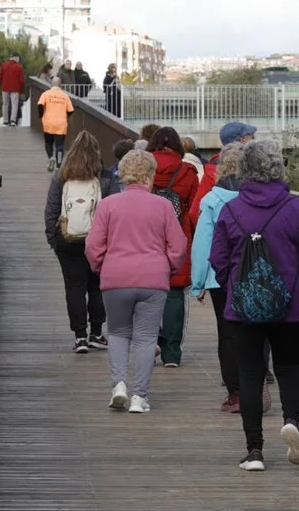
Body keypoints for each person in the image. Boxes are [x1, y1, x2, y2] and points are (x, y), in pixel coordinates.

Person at [209, 139, 299, 472]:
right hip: (288, 307)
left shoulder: (231, 210)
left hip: (244, 310)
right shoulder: (296, 209)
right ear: (278, 168)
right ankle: (291, 420)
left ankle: (254, 452)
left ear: (245, 170)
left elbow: (218, 260)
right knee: (290, 368)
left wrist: (236, 287)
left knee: (250, 375)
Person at [86, 149, 186, 414]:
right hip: (153, 279)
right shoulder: (163, 206)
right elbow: (177, 246)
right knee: (145, 337)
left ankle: (119, 386)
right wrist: (168, 269)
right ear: (149, 176)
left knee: (118, 333)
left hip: (115, 277)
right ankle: (139, 397)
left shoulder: (108, 204)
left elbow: (93, 245)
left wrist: (101, 267)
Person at [189, 143, 266, 414]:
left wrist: (197, 282)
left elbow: (203, 244)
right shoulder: (261, 198)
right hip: (256, 271)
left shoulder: (212, 200)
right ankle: (258, 380)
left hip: (219, 276)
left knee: (228, 333)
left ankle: (236, 392)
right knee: (259, 327)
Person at [45, 131, 122, 353]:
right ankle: (96, 333)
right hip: (98, 241)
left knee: (74, 287)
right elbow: (113, 211)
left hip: (67, 240)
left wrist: (54, 239)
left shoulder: (62, 176)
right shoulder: (106, 177)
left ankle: (79, 337)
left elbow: (51, 211)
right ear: (96, 153)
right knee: (97, 287)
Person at [146, 126, 201, 368]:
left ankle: (148, 345)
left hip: (145, 238)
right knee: (174, 295)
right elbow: (193, 210)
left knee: (146, 294)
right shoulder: (187, 171)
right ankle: (171, 352)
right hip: (178, 237)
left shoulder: (144, 168)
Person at [193, 121, 257, 205]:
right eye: (251, 137)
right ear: (242, 140)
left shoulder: (212, 169)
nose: (254, 140)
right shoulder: (256, 167)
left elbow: (196, 210)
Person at [37, 78, 74, 171]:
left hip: (48, 122)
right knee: (60, 145)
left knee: (48, 143)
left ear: (51, 84)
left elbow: (40, 105)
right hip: (61, 123)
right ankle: (58, 165)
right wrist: (64, 115)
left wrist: (41, 115)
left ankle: (51, 158)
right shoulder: (65, 96)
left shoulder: (45, 94)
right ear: (60, 85)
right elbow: (71, 110)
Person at [0, 53, 25, 126]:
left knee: (5, 104)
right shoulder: (19, 67)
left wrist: (3, 83)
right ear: (16, 58)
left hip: (5, 88)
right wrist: (21, 91)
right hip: (15, 88)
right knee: (14, 104)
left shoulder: (4, 65)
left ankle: (5, 120)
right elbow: (21, 80)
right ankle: (13, 121)